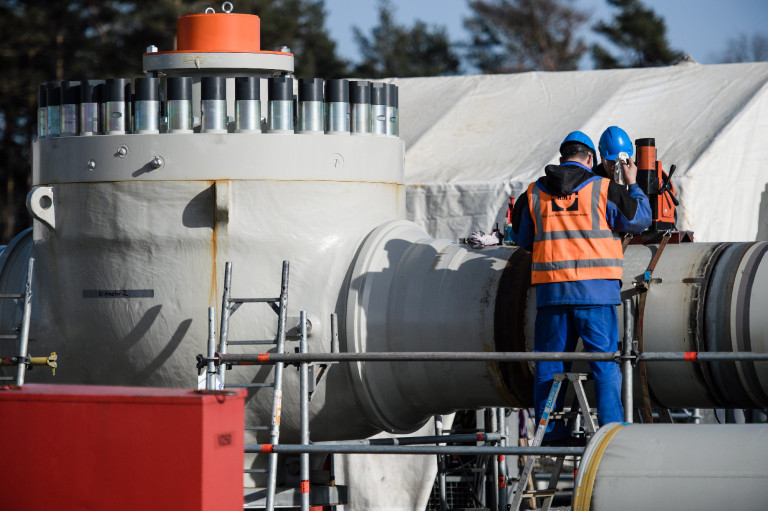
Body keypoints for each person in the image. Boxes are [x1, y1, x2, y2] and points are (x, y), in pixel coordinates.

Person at [509, 130, 651, 444]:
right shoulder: (605, 189)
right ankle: (610, 433)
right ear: (590, 159)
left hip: (551, 295)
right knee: (603, 365)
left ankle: (549, 432)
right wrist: (633, 183)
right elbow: (641, 219)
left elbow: (519, 238)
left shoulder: (533, 193)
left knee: (550, 364)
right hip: (596, 294)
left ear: (562, 158)